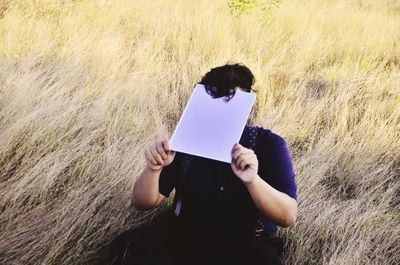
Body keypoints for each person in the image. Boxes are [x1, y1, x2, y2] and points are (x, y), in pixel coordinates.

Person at [105, 63, 297, 265]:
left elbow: (287, 216)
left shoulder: (269, 145)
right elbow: (142, 202)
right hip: (185, 237)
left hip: (246, 244)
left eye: (230, 109)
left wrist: (253, 181)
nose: (220, 117)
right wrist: (153, 169)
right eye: (213, 107)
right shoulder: (187, 140)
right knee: (125, 247)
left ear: (248, 111)